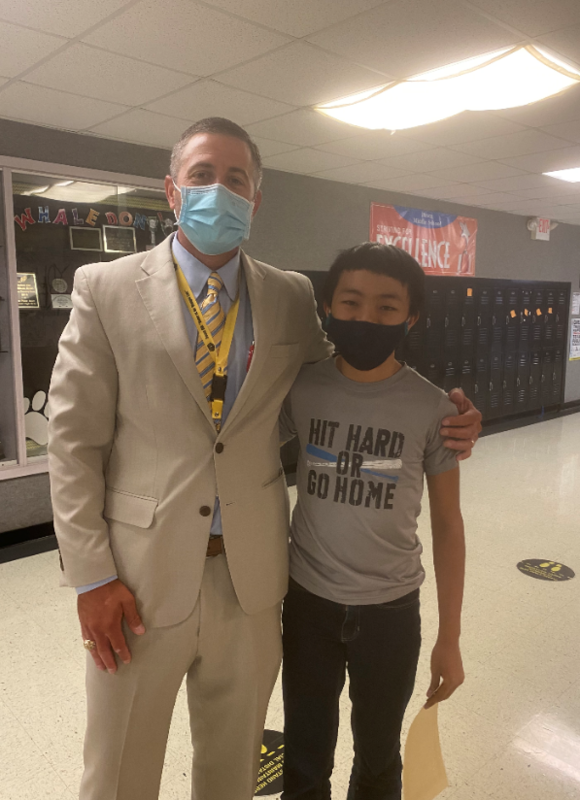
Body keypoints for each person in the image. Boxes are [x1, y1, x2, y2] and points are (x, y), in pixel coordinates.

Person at [47, 118, 479, 800]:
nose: (219, 190)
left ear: (256, 197)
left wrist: (451, 415)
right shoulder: (105, 287)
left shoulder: (289, 295)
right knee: (119, 769)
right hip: (137, 580)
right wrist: (92, 577)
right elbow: (73, 444)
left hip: (251, 582)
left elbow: (347, 377)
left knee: (232, 769)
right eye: (202, 175)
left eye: (236, 178)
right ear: (172, 189)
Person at [279, 243, 466, 800]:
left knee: (379, 758)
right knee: (304, 754)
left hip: (391, 611)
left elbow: (448, 525)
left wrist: (450, 637)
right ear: (328, 307)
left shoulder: (434, 408)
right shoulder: (302, 388)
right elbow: (235, 444)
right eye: (351, 302)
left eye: (387, 307)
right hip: (308, 603)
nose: (366, 317)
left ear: (411, 317)